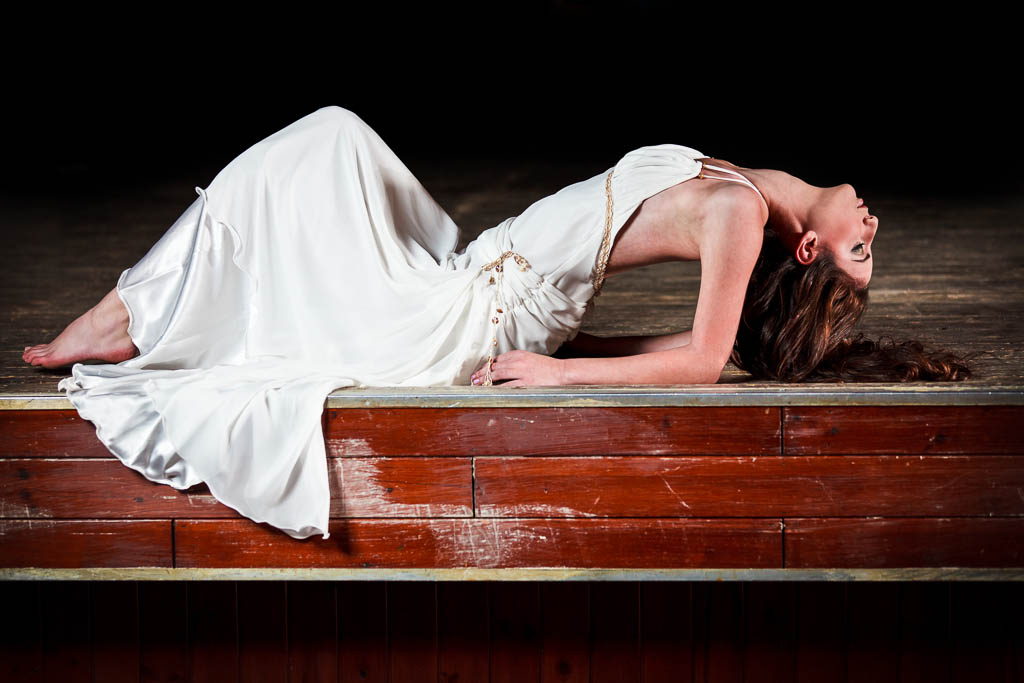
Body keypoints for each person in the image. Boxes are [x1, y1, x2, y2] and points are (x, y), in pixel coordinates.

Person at [20, 106, 971, 539]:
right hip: (471, 275)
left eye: (860, 251)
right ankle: (135, 308)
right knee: (338, 141)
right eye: (868, 246)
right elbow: (694, 346)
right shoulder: (740, 188)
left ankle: (123, 314)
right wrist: (573, 345)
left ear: (806, 250)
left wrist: (556, 371)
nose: (872, 228)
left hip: (465, 312)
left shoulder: (738, 211)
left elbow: (702, 360)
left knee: (317, 145)